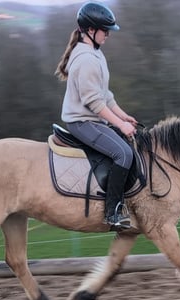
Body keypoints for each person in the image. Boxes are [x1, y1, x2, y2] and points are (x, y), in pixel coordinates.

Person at [55, 2, 137, 231]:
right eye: (105, 30)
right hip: (81, 122)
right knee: (123, 154)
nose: (108, 34)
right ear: (90, 30)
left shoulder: (95, 54)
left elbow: (105, 95)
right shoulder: (87, 60)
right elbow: (93, 102)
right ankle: (112, 212)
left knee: (127, 144)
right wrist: (119, 124)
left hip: (92, 118)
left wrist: (124, 117)